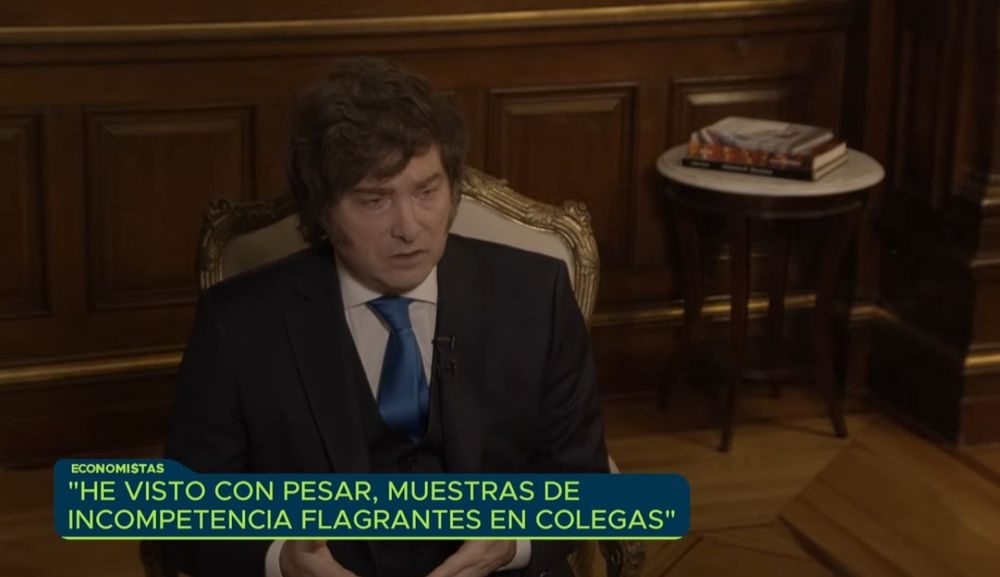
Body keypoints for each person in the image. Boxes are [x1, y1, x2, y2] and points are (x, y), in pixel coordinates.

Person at [164, 57, 608, 577]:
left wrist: (512, 541)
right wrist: (282, 558)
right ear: (322, 210)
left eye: (426, 192)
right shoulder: (238, 322)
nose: (409, 228)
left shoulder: (535, 294)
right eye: (375, 200)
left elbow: (582, 478)